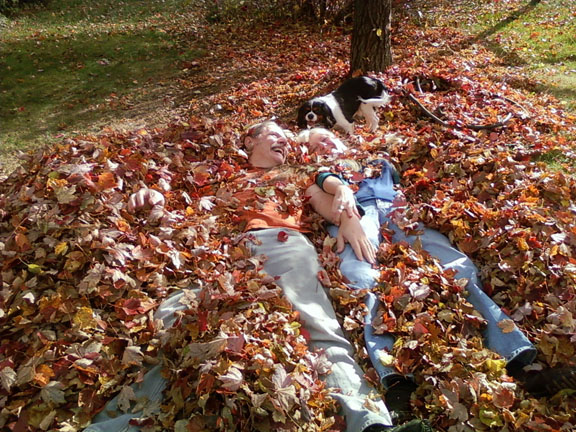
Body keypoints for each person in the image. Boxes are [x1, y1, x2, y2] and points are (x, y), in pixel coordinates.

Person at [85, 121, 432, 432]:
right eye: (274, 135)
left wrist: (348, 215)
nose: (283, 141)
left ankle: (368, 422)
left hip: (282, 243)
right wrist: (154, 193)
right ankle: (116, 425)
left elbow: (333, 206)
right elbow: (183, 204)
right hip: (223, 255)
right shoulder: (223, 179)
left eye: (286, 138)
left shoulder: (296, 176)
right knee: (178, 326)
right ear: (251, 141)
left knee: (316, 323)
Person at [301, 127, 576, 419]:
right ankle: (396, 384)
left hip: (397, 210)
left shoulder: (375, 160)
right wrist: (344, 195)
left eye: (330, 136)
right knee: (362, 280)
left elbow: (398, 179)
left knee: (460, 269)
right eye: (320, 141)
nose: (328, 141)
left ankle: (520, 362)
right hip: (357, 217)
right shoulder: (325, 171)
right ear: (312, 151)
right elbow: (324, 180)